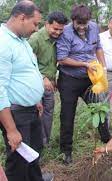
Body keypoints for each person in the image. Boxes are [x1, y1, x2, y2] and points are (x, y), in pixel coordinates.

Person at [0, 1, 52, 180]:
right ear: (22, 18)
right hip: (16, 114)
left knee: (34, 153)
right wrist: (11, 130)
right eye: (35, 23)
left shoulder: (22, 41)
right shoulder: (3, 43)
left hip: (30, 109)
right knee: (19, 161)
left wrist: (36, 98)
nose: (37, 29)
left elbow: (27, 72)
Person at [56, 4, 110, 165]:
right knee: (67, 115)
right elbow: (62, 58)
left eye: (84, 24)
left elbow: (98, 47)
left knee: (98, 108)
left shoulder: (94, 27)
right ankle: (66, 151)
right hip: (69, 79)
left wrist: (104, 67)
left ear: (89, 21)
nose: (81, 27)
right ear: (73, 20)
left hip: (89, 79)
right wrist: (84, 64)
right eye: (78, 24)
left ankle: (107, 140)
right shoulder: (65, 32)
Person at [28, 11, 68, 146]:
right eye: (55, 29)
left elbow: (52, 63)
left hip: (50, 84)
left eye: (60, 30)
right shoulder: (35, 39)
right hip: (35, 84)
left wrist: (52, 79)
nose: (57, 32)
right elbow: (26, 64)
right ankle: (37, 143)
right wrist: (43, 77)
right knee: (37, 113)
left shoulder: (58, 39)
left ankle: (45, 142)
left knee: (48, 113)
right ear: (46, 24)